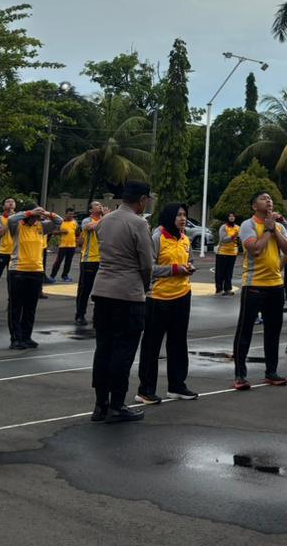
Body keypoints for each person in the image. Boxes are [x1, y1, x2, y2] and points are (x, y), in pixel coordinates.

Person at [89, 181, 154, 424]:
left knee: (103, 349)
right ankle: (117, 405)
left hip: (102, 289)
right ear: (142, 200)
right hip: (127, 293)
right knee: (123, 351)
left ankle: (100, 405)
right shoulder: (139, 223)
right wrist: (145, 285)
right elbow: (146, 263)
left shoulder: (105, 220)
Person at [231, 191, 287, 390]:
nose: (268, 200)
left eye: (270, 199)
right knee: (245, 331)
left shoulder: (279, 227)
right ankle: (240, 375)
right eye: (263, 198)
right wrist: (267, 230)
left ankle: (271, 372)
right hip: (254, 285)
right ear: (254, 206)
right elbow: (255, 249)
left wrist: (274, 230)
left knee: (273, 331)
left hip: (275, 285)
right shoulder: (248, 225)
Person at [136, 202, 198, 404]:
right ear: (169, 216)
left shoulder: (185, 238)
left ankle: (177, 385)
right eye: (178, 215)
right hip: (159, 297)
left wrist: (188, 267)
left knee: (179, 342)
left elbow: (188, 261)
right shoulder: (157, 237)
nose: (183, 218)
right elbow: (149, 267)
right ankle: (145, 390)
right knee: (152, 345)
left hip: (182, 295)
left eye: (184, 214)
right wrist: (174, 269)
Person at [8, 208, 62, 348]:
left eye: (38, 217)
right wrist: (30, 212)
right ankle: (16, 339)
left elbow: (59, 221)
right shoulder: (17, 226)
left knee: (30, 307)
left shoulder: (41, 226)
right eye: (35, 216)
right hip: (18, 270)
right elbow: (11, 219)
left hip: (36, 271)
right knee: (16, 307)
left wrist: (47, 213)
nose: (37, 219)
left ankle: (26, 336)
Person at [75, 201, 106, 326]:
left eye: (100, 204)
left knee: (101, 291)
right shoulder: (87, 220)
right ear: (90, 210)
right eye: (97, 205)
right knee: (85, 289)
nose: (100, 206)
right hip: (89, 260)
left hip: (102, 260)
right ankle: (80, 314)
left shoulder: (105, 220)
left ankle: (97, 316)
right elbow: (90, 227)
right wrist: (107, 218)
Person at [214, 212, 240, 295]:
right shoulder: (223, 227)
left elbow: (240, 239)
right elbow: (223, 239)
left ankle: (228, 289)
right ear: (227, 218)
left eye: (233, 216)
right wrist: (233, 236)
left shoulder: (237, 227)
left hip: (233, 253)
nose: (232, 217)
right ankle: (219, 289)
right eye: (230, 216)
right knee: (220, 272)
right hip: (222, 252)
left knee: (229, 273)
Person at [49, 209, 78, 282]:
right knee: (58, 261)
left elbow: (77, 233)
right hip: (62, 245)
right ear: (65, 214)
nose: (71, 216)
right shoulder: (60, 222)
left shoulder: (74, 222)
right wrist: (61, 232)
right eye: (69, 214)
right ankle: (52, 276)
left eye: (72, 214)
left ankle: (65, 276)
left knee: (68, 262)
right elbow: (53, 232)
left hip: (72, 245)